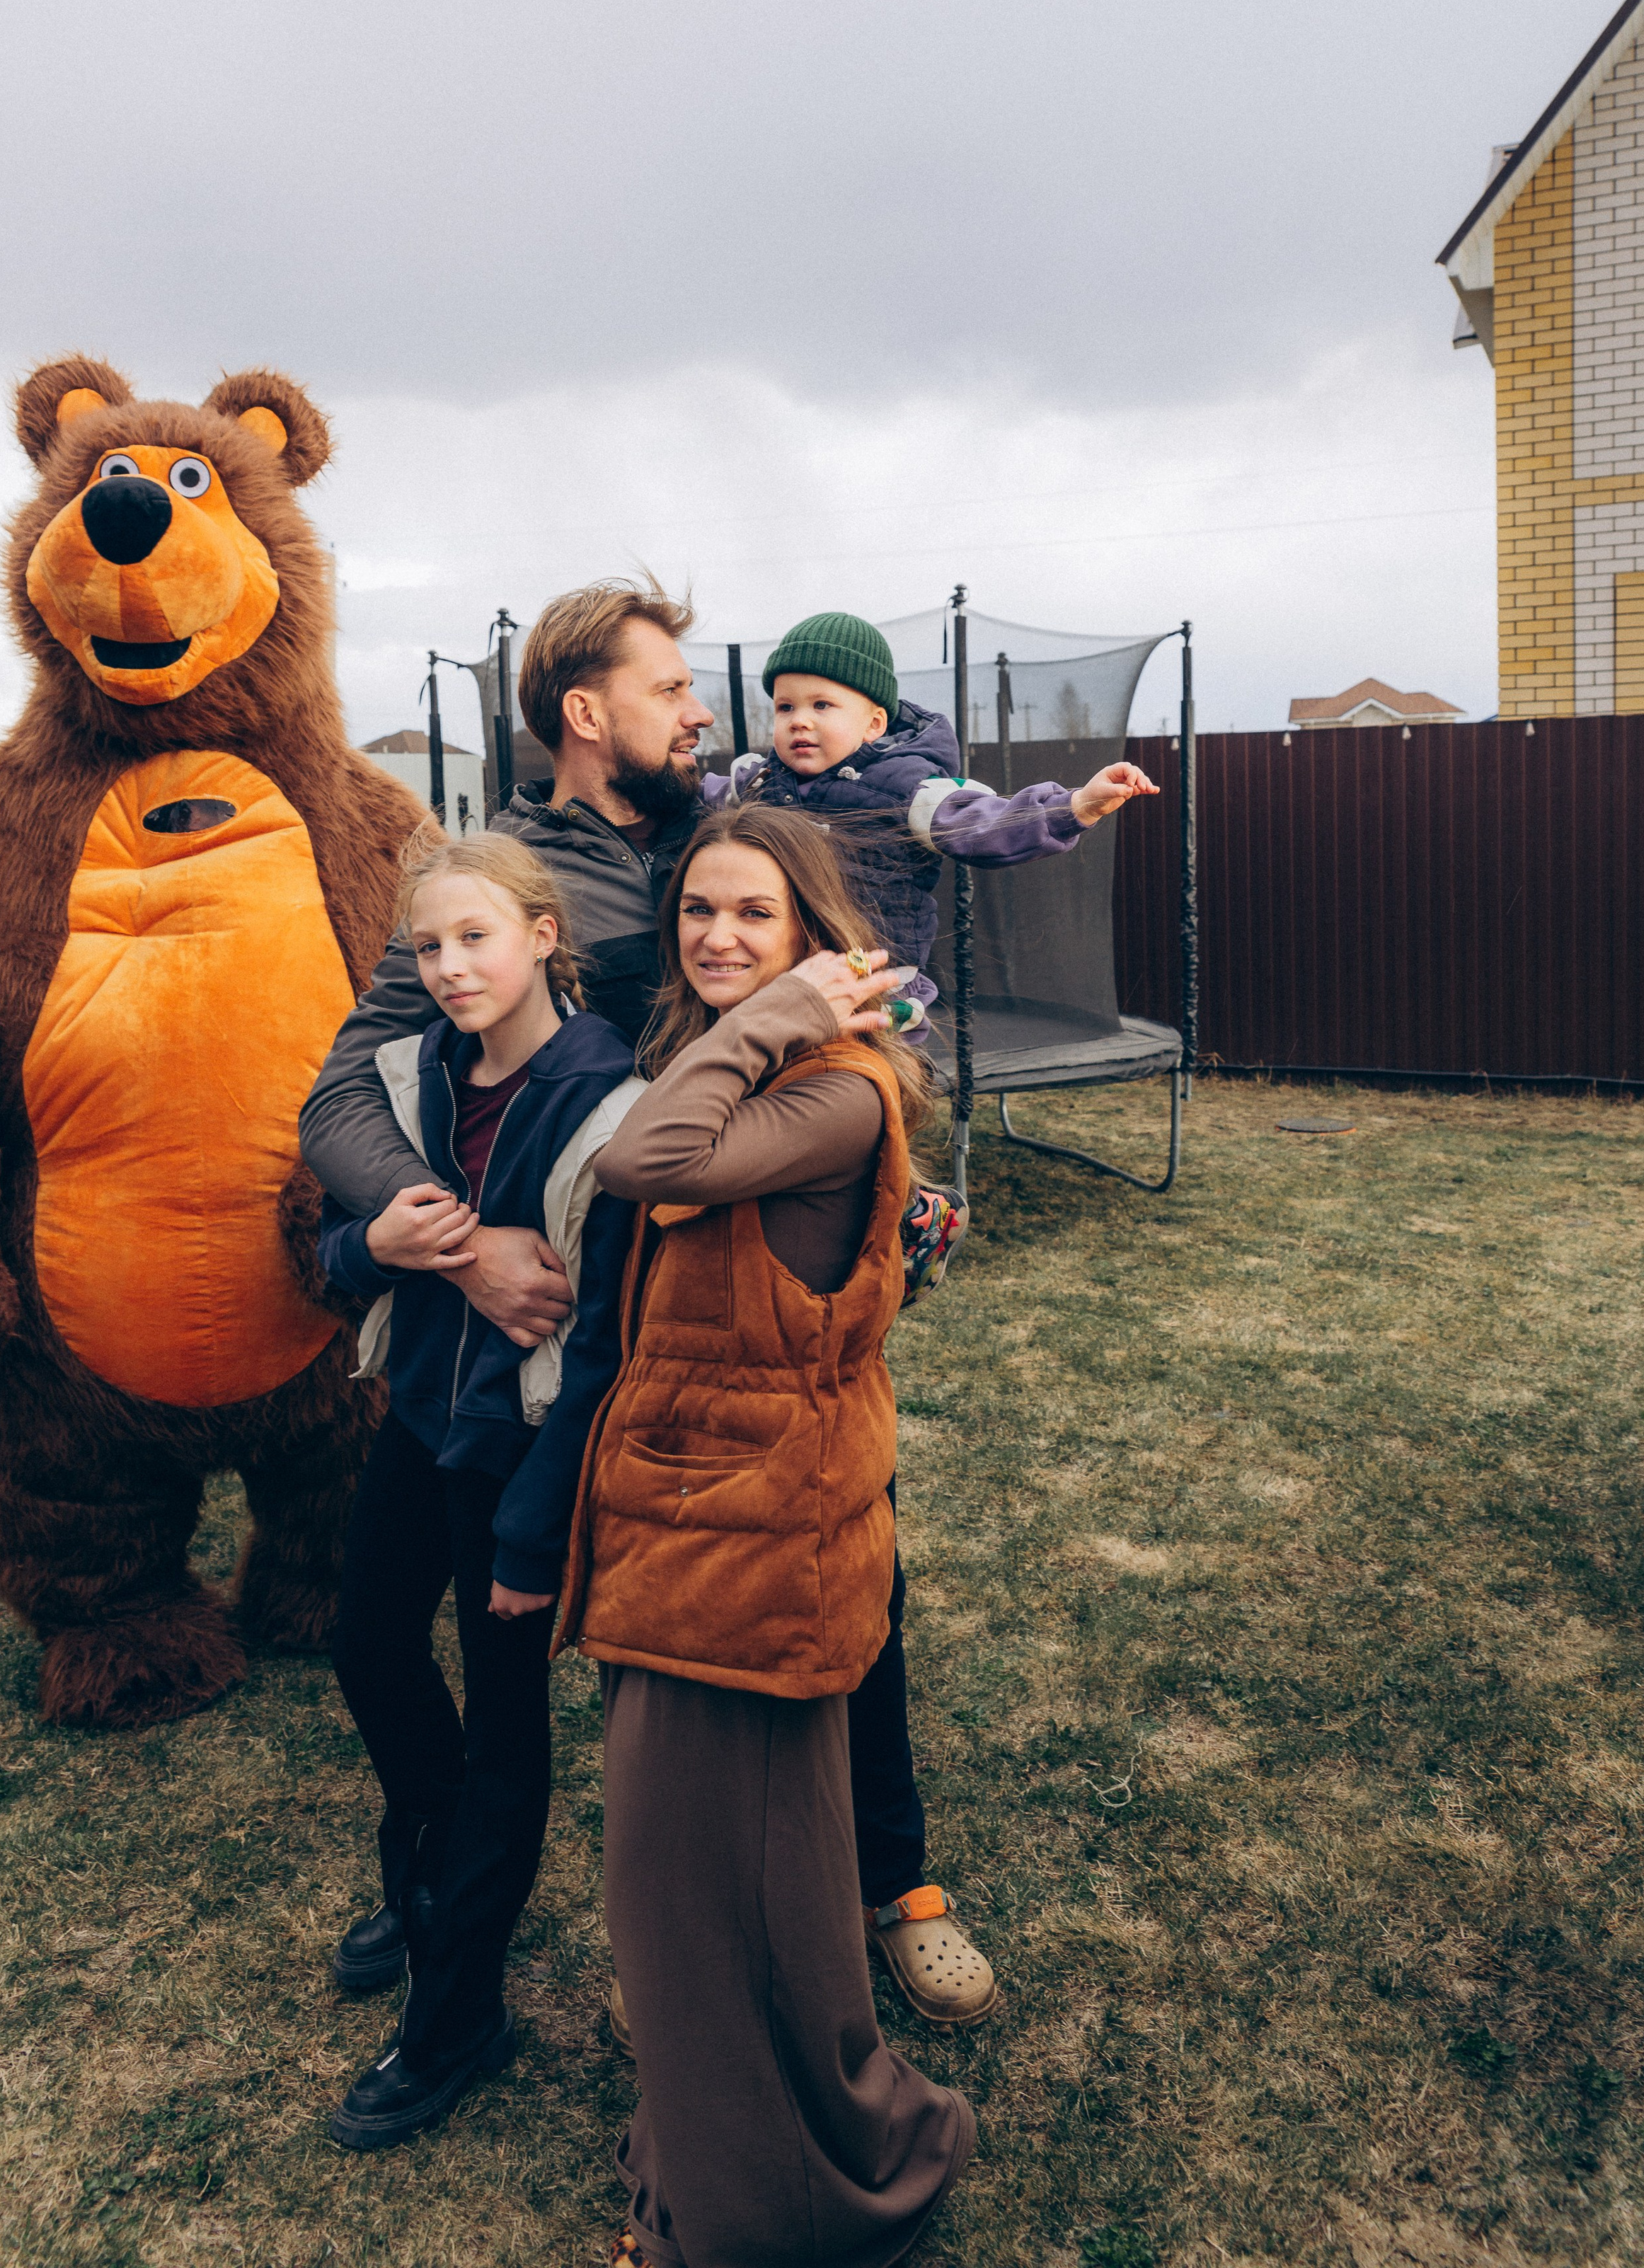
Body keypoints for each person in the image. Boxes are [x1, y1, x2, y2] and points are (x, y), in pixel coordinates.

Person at [300, 580, 994, 2028]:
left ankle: (893, 1883)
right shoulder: (488, 877)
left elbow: (862, 913)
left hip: (745, 1259)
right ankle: (459, 1878)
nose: (702, 713)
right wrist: (441, 1236)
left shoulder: (717, 837)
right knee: (631, 1624)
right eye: (671, 688)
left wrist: (893, 1183)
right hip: (570, 1301)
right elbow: (350, 1077)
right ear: (584, 714)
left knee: (841, 1570)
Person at [558, 808, 975, 2268]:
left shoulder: (836, 1091)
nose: (716, 940)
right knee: (717, 1901)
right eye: (695, 913)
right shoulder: (760, 1074)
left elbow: (646, 1154)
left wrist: (777, 1017)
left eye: (753, 917)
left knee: (705, 1903)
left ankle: (752, 2213)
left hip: (744, 1553)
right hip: (698, 1531)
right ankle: (731, 2150)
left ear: (813, 936)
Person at [314, 833, 642, 2151]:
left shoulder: (606, 1098)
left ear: (545, 936)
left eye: (476, 939)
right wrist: (374, 1240)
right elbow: (337, 1260)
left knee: (508, 1729)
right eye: (428, 947)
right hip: (420, 1416)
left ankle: (458, 2016)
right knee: (366, 1643)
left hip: (520, 1447)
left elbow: (606, 1334)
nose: (449, 969)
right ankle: (433, 1876)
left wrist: (532, 1532)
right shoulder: (419, 1076)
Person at [713, 608, 1159, 1029]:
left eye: (822, 706)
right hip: (781, 976)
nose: (799, 721)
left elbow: (986, 823)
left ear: (873, 725)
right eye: (785, 707)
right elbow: (695, 799)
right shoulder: (758, 782)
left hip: (872, 979)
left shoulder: (907, 787)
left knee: (853, 1079)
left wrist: (1075, 806)